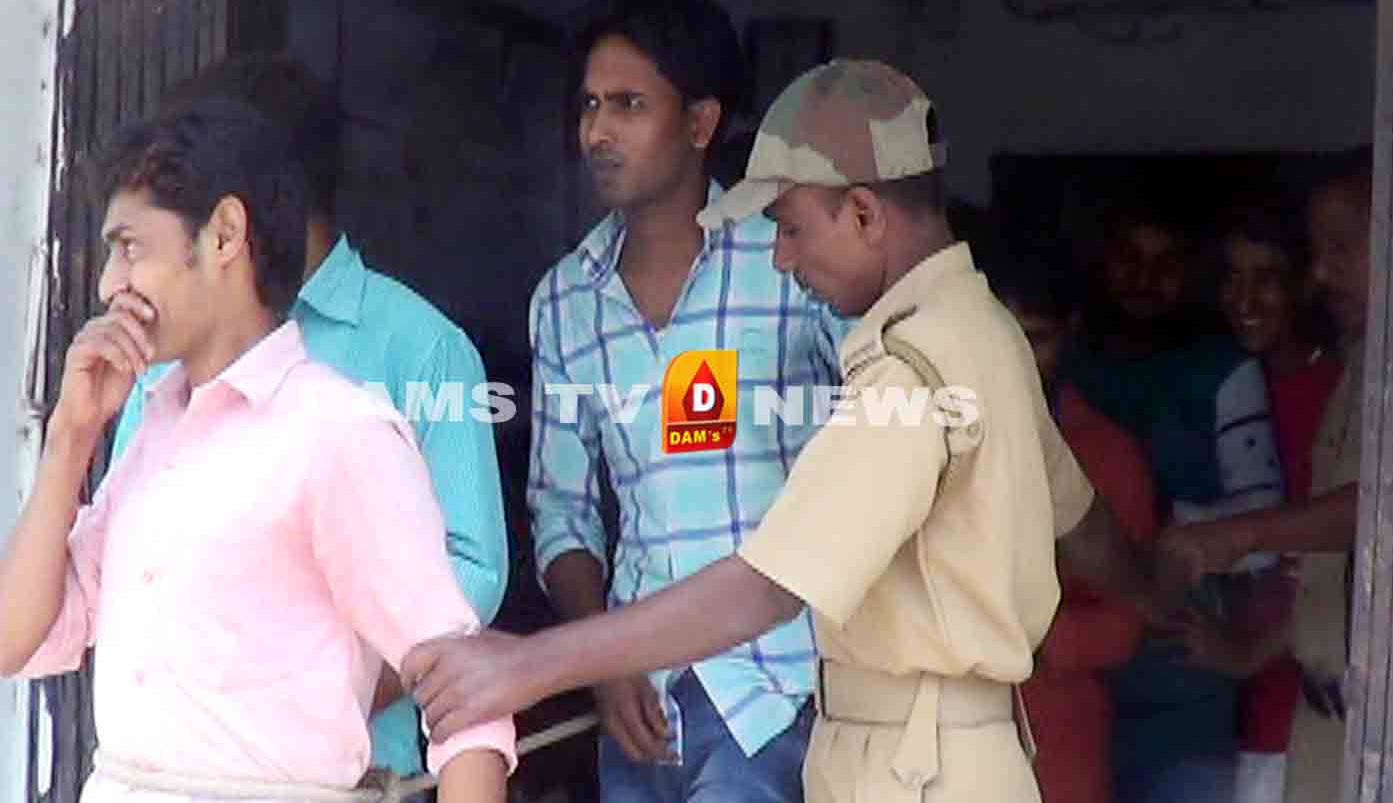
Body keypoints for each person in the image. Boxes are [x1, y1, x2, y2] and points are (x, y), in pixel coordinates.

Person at [400, 60, 1169, 803]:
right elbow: (1083, 524)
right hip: (947, 753)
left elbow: (767, 587)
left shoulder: (907, 374)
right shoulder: (984, 334)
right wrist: (1165, 594)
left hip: (909, 768)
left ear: (864, 214)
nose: (781, 256)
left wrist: (527, 666)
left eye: (792, 228)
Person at [0, 99, 513, 802]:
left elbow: (465, 694)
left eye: (131, 248)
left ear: (224, 236)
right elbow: (16, 637)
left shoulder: (338, 431)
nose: (108, 285)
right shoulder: (154, 429)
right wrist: (69, 440)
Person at [525, 0, 849, 803]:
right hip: (640, 708)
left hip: (776, 693)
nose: (598, 131)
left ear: (701, 123)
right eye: (590, 105)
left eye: (629, 105)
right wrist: (605, 659)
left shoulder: (789, 264)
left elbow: (874, 455)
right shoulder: (565, 300)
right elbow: (561, 509)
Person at [1158, 149, 1374, 803]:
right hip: (1295, 716)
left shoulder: (1347, 379)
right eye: (1232, 276)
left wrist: (1238, 536)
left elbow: (1369, 513)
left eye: (1341, 245)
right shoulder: (1224, 383)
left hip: (1336, 719)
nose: (1323, 269)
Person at [1062, 196, 1287, 803]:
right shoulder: (1067, 362)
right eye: (1129, 258)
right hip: (1073, 681)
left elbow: (1267, 525)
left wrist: (1162, 529)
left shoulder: (1223, 369)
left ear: (1194, 273)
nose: (1145, 279)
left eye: (1166, 264)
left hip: (1180, 690)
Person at [984, 246, 1158, 803]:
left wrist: (1037, 640)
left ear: (1071, 332)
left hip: (1060, 739)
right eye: (1001, 337)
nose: (1014, 359)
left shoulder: (1107, 455)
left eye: (1035, 339)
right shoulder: (923, 439)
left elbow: (1131, 618)